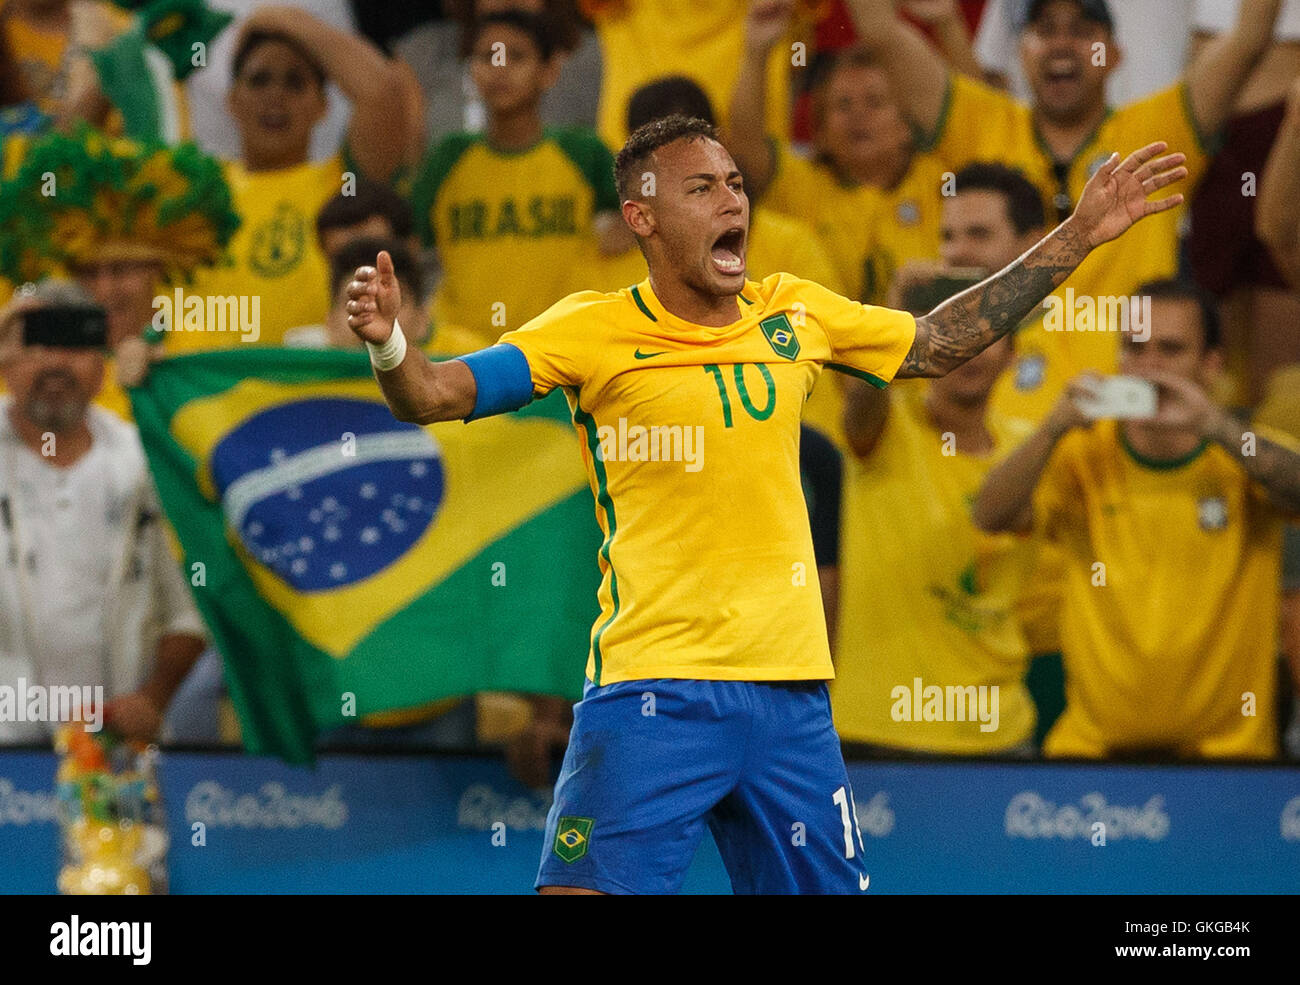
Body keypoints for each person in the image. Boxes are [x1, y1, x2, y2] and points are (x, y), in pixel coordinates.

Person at [346, 113, 1185, 892]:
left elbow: (936, 341)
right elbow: (433, 394)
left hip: (789, 698)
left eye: (736, 183)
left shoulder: (795, 307)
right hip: (653, 689)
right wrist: (389, 341)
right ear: (641, 218)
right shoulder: (587, 329)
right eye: (701, 187)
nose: (731, 199)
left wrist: (1077, 235)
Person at [848, 0, 1283, 423]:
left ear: (1114, 55)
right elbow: (882, 34)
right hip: (995, 427)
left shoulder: (1158, 132)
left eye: (1082, 31)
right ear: (1021, 53)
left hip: (1123, 418)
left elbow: (1249, 39)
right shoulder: (981, 123)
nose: (1062, 45)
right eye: (1044, 30)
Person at [973, 280, 1300, 759]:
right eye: (1135, 347)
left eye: (1170, 350)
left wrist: (1214, 425)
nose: (1149, 366)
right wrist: (1051, 428)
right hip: (1092, 757)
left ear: (1211, 364)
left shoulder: (1244, 454)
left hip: (1230, 762)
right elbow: (991, 516)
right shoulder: (1080, 455)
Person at [833, 162, 1046, 756]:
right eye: (952, 335)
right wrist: (899, 311)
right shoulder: (887, 421)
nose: (969, 352)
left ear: (1014, 352)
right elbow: (859, 410)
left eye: (985, 336)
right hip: (874, 729)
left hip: (999, 734)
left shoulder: (1032, 440)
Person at [0, 280, 207, 744]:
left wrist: (153, 698)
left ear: (102, 363)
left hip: (112, 752)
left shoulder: (141, 463)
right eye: (38, 343)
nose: (55, 361)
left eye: (75, 343)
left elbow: (187, 614)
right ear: (7, 361)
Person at [173, 5, 412, 350]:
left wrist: (273, 17)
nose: (275, 96)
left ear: (323, 106)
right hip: (211, 392)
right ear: (232, 101)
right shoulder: (198, 188)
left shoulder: (345, 184)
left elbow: (382, 92)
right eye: (259, 79)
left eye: (295, 82)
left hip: (312, 390)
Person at [408, 9, 630, 349]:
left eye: (517, 56)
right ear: (470, 70)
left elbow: (638, 227)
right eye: (487, 56)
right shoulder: (446, 158)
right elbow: (410, 249)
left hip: (566, 351)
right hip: (462, 354)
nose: (500, 68)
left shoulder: (585, 152)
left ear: (550, 70)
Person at [0, 127, 238, 418]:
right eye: (87, 272)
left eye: (121, 270)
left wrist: (162, 382)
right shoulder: (39, 366)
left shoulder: (203, 353)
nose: (104, 290)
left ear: (158, 267)